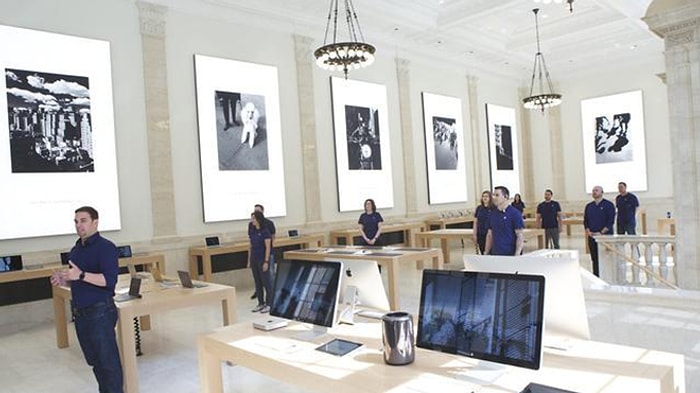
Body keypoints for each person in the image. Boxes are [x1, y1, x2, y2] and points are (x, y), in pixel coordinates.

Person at [50, 206, 123, 393]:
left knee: (109, 365)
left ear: (95, 222)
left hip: (100, 312)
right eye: (76, 221)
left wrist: (80, 275)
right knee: (96, 363)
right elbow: (78, 279)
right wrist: (64, 279)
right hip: (80, 313)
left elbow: (108, 281)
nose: (78, 225)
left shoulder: (106, 248)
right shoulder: (75, 250)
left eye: (83, 220)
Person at [583, 186, 616, 277]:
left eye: (596, 191)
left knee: (606, 257)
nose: (594, 192)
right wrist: (588, 231)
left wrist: (601, 233)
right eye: (593, 191)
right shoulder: (589, 206)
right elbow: (586, 221)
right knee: (594, 258)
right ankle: (596, 276)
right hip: (592, 236)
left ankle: (607, 276)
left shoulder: (608, 205)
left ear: (602, 192)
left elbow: (610, 221)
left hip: (605, 236)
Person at [485, 186, 525, 256]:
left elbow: (519, 235)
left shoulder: (515, 213)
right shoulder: (492, 214)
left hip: (510, 254)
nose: (494, 198)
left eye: (497, 195)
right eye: (493, 195)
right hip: (496, 253)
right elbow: (489, 235)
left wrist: (517, 253)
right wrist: (486, 252)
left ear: (505, 197)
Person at [248, 204, 276, 300]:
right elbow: (251, 243)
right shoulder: (252, 228)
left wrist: (266, 260)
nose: (252, 220)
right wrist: (249, 259)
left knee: (269, 277)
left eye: (257, 212)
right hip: (255, 257)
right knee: (258, 280)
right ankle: (260, 300)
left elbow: (271, 240)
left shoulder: (267, 226)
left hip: (265, 256)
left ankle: (271, 298)